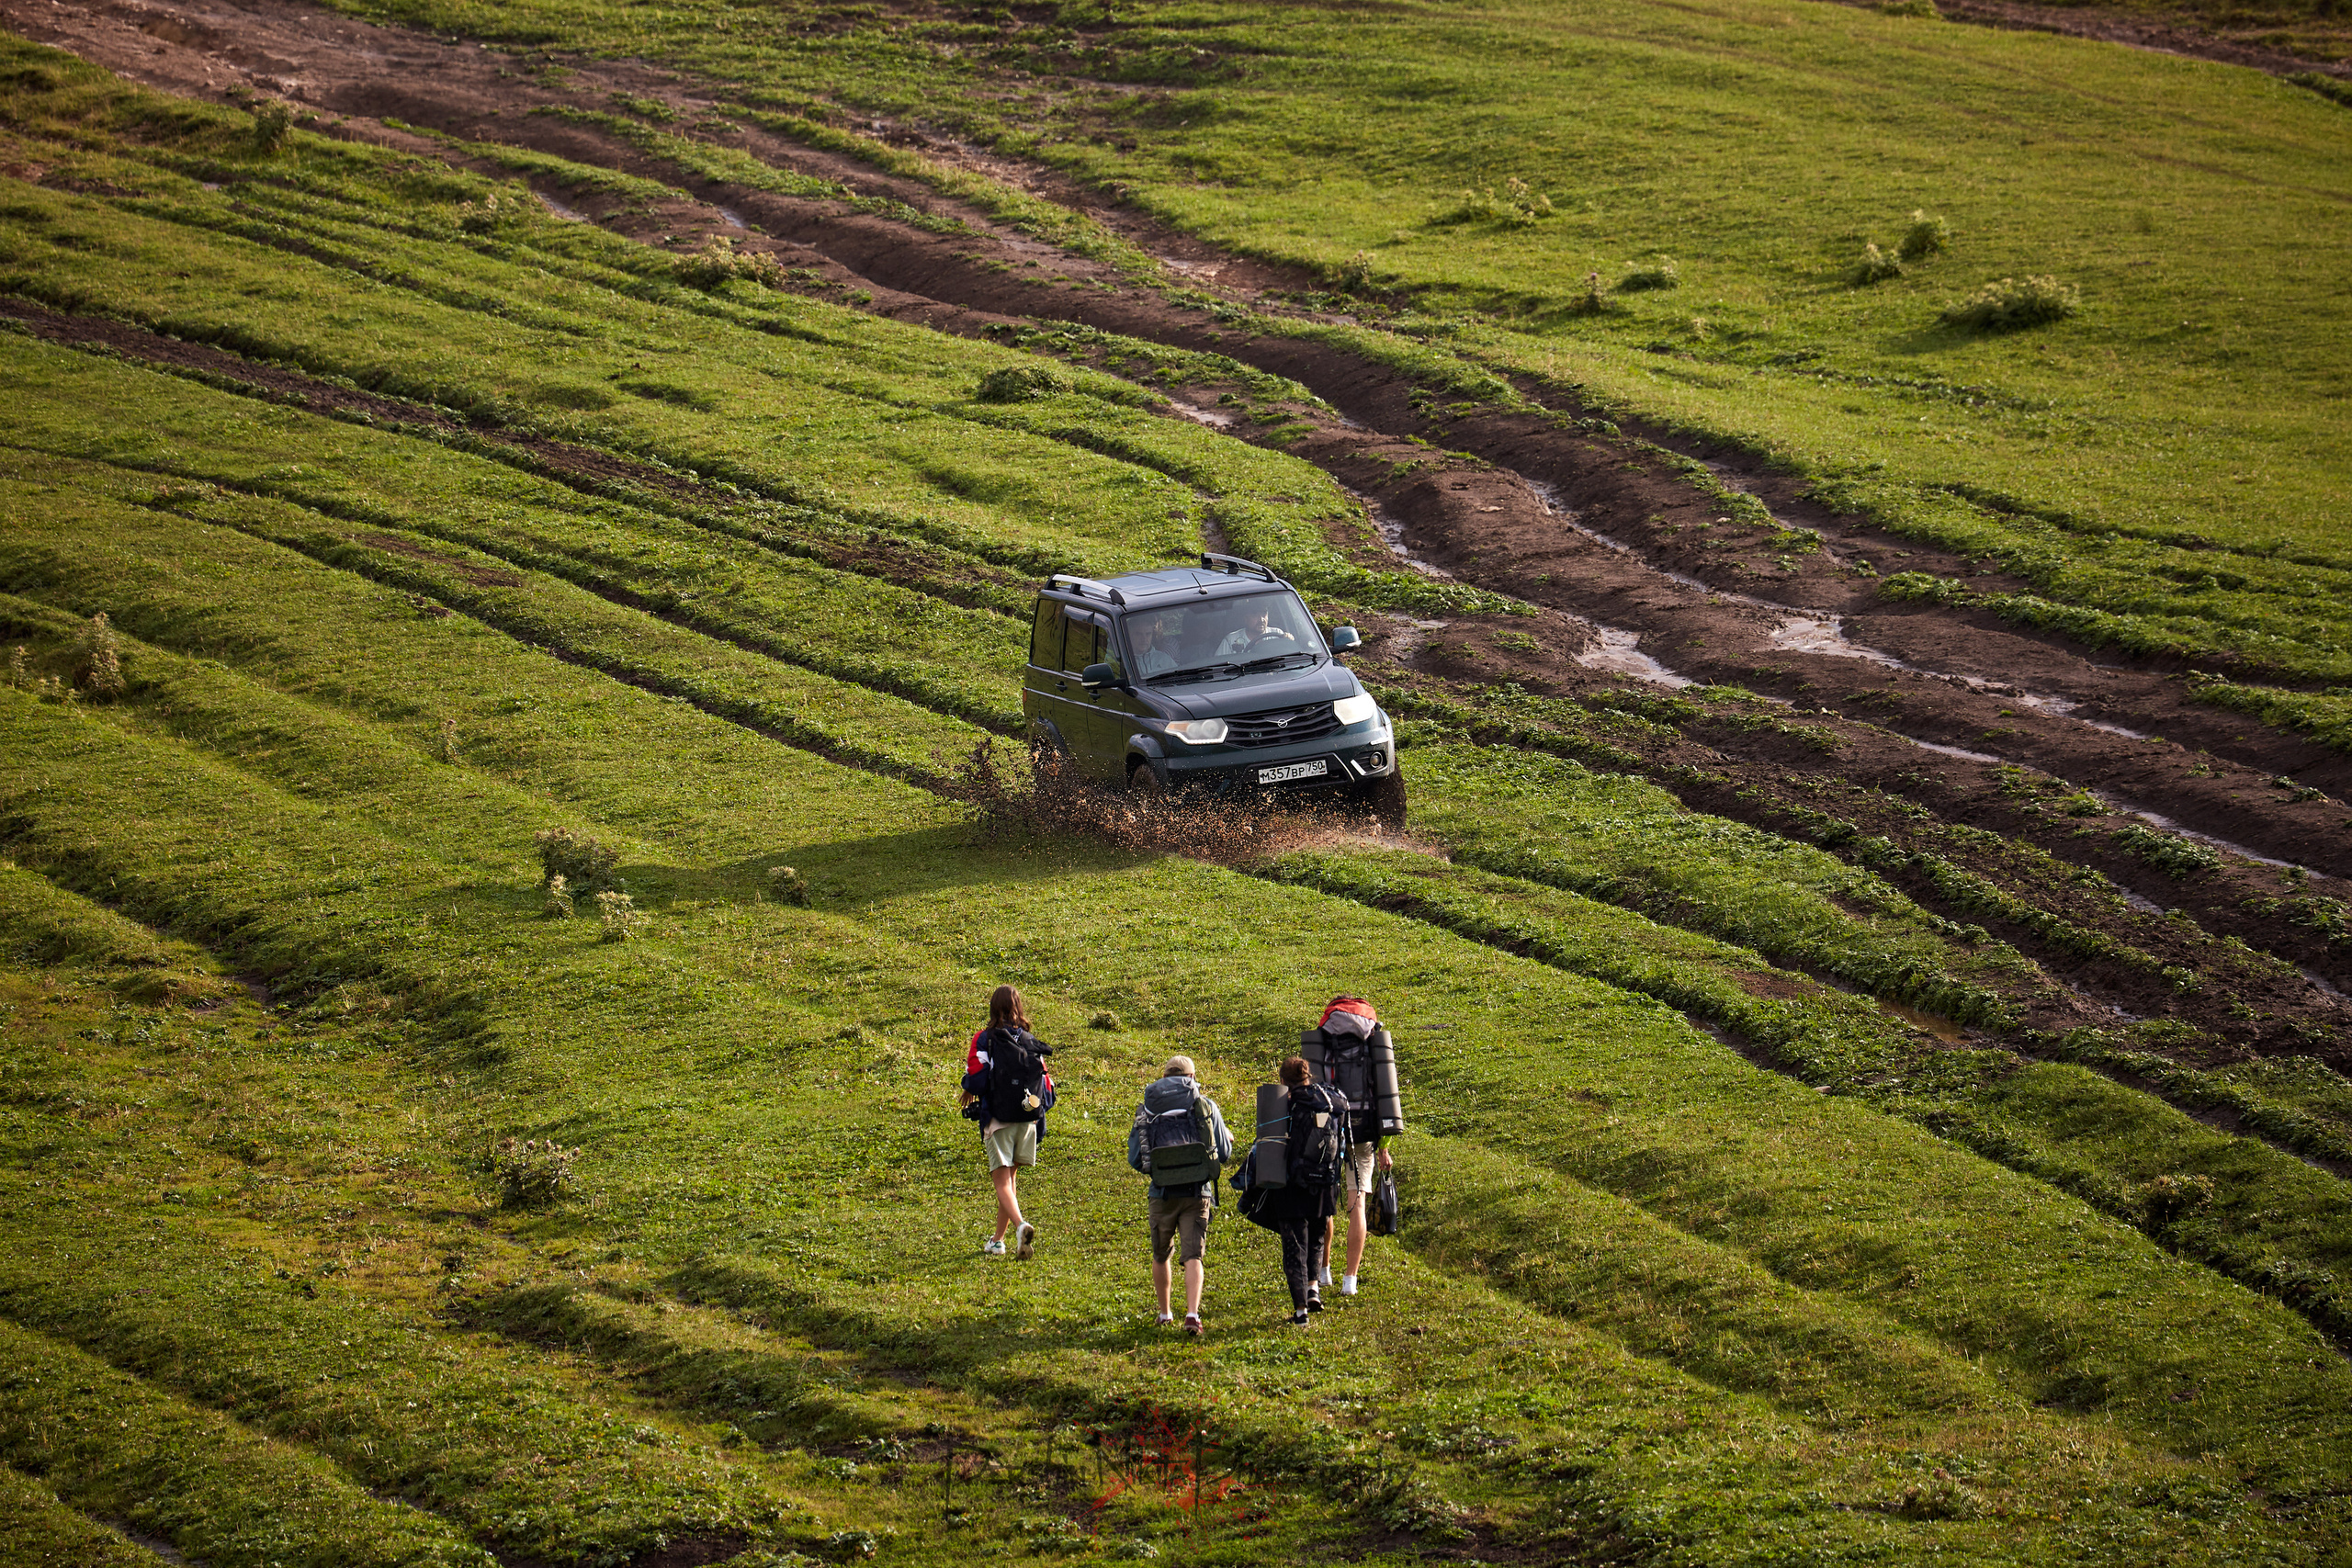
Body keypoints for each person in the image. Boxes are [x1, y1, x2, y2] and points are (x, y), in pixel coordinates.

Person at [1126, 1055, 1234, 1337]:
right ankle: (1192, 1314)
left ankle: (1164, 1313)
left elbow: (1136, 1158)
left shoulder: (1147, 1110)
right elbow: (1223, 1153)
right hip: (1197, 1192)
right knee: (1193, 1256)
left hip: (1161, 1193)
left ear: (1164, 1077)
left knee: (1161, 1255)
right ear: (1192, 1077)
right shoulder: (1206, 1106)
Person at [1312, 998, 1396, 1298]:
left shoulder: (1324, 1033)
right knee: (1356, 1204)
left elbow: (1314, 1085)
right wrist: (1384, 1145)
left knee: (1324, 1201)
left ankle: (1323, 1271)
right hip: (1364, 1129)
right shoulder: (1373, 1037)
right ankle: (1351, 1280)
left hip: (1329, 1125)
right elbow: (1385, 1092)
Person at [961, 985, 1053, 1259]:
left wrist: (968, 1087)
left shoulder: (985, 1039)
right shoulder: (1029, 1040)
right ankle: (997, 1241)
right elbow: (1047, 1088)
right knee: (1010, 1182)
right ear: (1019, 1007)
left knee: (1001, 1182)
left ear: (993, 1008)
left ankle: (1021, 1225)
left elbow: (977, 1077)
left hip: (998, 1119)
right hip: (1027, 1120)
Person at [1254, 1055, 1346, 1326]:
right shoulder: (1327, 1102)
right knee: (1317, 1238)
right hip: (1324, 1183)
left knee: (1295, 1247)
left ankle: (1300, 1310)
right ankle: (1313, 1288)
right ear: (1309, 1077)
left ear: (1283, 1081)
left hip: (1291, 1185)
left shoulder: (1283, 1106)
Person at [1216, 604, 1296, 660]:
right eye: (1255, 615)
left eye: (1264, 614)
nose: (1261, 619)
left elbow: (1290, 658)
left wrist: (1289, 640)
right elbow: (1218, 666)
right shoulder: (1231, 640)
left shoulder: (1277, 635)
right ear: (1246, 619)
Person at [1135, 613, 1182, 678]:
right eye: (1138, 634)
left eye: (1148, 634)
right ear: (1130, 635)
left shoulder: (1165, 659)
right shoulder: (1125, 661)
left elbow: (1178, 680)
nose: (1144, 639)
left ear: (1152, 635)